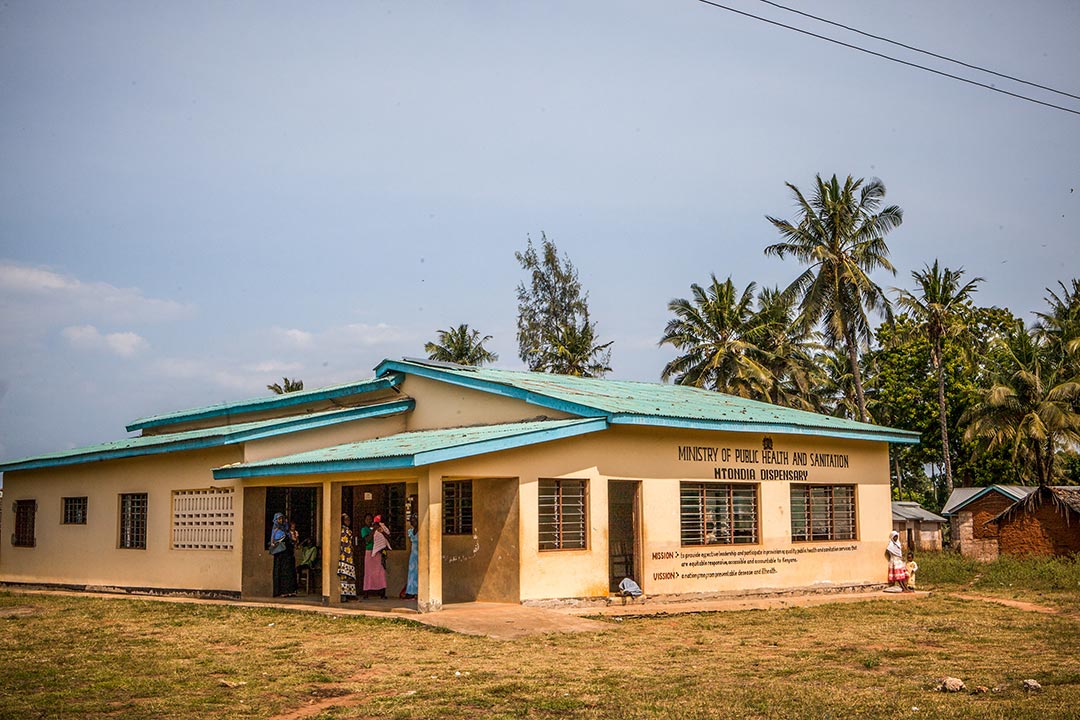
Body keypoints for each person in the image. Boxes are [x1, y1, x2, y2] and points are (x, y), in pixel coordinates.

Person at [269, 513, 297, 598]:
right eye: (279, 519)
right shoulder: (276, 530)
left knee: (289, 573)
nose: (281, 521)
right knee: (281, 573)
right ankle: (281, 591)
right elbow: (278, 540)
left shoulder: (285, 530)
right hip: (280, 556)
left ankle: (290, 591)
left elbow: (291, 540)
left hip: (288, 555)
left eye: (282, 519)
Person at [364, 514, 390, 599]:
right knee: (369, 573)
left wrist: (380, 530)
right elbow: (368, 540)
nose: (369, 521)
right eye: (367, 519)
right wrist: (374, 530)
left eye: (370, 519)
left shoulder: (379, 528)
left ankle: (382, 593)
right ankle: (366, 593)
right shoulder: (364, 529)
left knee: (381, 572)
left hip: (378, 552)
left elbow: (387, 536)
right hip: (369, 553)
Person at [338, 513, 358, 601]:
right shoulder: (343, 530)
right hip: (344, 556)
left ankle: (350, 594)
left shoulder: (348, 530)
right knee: (344, 576)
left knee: (349, 576)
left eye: (349, 520)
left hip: (349, 555)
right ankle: (344, 595)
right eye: (346, 519)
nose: (348, 521)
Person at [404, 515, 418, 600]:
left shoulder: (421, 530)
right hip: (413, 555)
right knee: (412, 573)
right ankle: (411, 591)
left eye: (414, 520)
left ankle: (417, 591)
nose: (412, 523)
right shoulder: (411, 531)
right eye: (411, 521)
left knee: (419, 573)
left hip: (420, 554)